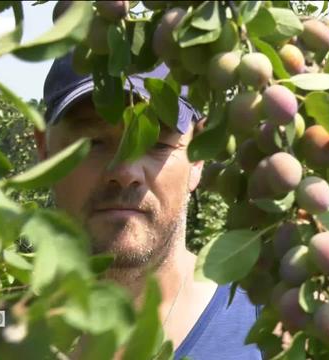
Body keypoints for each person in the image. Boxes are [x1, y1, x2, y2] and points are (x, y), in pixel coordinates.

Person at [35, 54, 263, 359]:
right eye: (91, 143)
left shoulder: (272, 327)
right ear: (44, 152)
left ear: (198, 156)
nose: (125, 172)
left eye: (156, 143)